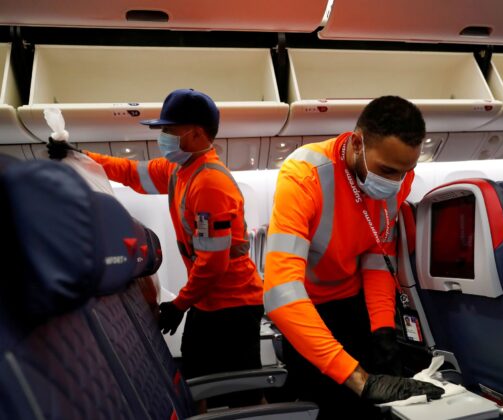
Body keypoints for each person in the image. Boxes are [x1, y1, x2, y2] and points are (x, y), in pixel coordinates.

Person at [47, 88, 264, 409]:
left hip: (232, 306)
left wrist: (179, 304)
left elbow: (213, 264)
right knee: (196, 381)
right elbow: (130, 173)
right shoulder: (180, 170)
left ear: (197, 133)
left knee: (241, 393)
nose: (163, 136)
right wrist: (77, 156)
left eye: (169, 130)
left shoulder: (211, 185)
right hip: (210, 302)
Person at [263, 95, 444, 418]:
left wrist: (383, 331)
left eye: (406, 171)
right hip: (308, 315)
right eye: (387, 170)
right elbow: (280, 293)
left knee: (373, 411)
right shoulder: (303, 176)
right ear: (358, 143)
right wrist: (360, 380)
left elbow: (377, 254)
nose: (396, 182)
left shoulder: (398, 176)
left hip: (352, 305)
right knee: (331, 407)